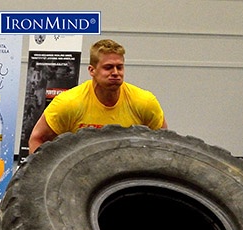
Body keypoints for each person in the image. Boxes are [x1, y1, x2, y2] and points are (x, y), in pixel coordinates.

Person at [28, 39, 167, 153]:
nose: (115, 73)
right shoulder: (69, 103)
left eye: (119, 67)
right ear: (92, 70)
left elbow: (166, 142)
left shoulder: (144, 102)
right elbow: (37, 139)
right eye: (108, 67)